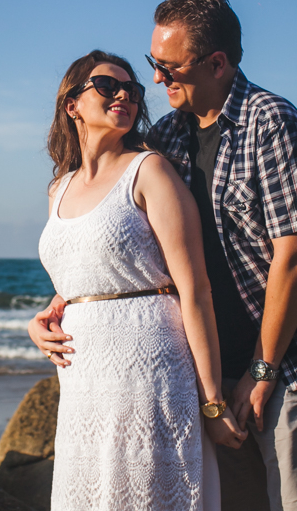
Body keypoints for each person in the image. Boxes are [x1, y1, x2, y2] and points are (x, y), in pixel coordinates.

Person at [39, 0, 297, 510]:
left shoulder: (270, 123)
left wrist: (262, 370)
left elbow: (295, 258)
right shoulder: (167, 136)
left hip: (290, 359)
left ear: (217, 63)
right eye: (151, 66)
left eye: (167, 67)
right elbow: (123, 246)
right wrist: (57, 307)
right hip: (207, 364)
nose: (156, 81)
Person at [31, 50, 246, 511]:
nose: (125, 93)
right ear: (72, 104)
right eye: (108, 86)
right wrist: (44, 318)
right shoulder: (59, 188)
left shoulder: (149, 171)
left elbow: (195, 289)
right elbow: (86, 272)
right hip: (83, 381)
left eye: (131, 89)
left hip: (148, 372)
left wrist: (212, 403)